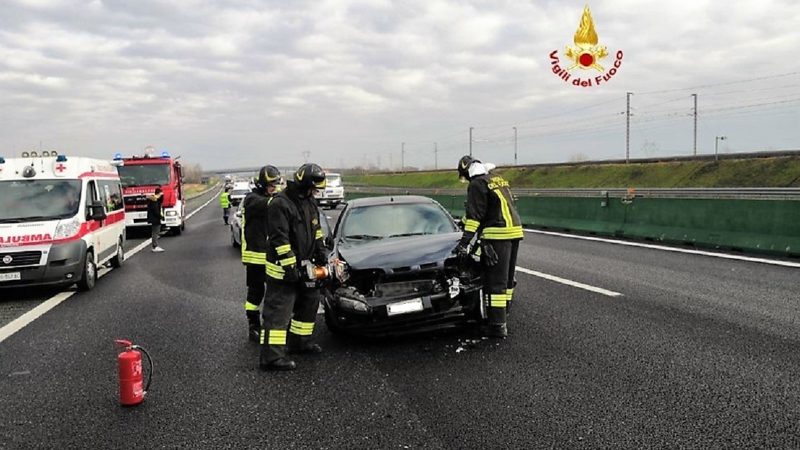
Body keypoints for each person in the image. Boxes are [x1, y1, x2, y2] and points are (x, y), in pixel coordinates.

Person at [259, 163, 328, 371]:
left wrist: (321, 253)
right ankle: (271, 358)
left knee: (310, 303)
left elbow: (315, 230)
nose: (316, 192)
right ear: (304, 183)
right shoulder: (280, 204)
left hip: (305, 265)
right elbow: (279, 239)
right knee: (278, 312)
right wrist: (290, 267)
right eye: (313, 188)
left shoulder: (309, 201)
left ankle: (300, 342)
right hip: (283, 269)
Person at [454, 155, 523, 338]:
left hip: (496, 235)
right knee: (507, 280)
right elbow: (487, 208)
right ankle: (503, 315)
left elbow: (475, 217)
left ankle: (497, 326)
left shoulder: (476, 184)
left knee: (495, 283)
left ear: (466, 171)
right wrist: (461, 222)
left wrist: (464, 243)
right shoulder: (496, 178)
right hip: (514, 231)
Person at [242, 165, 282, 342]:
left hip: (272, 255)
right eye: (272, 184)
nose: (275, 188)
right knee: (255, 293)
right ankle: (253, 326)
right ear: (263, 183)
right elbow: (265, 204)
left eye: (276, 184)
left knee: (277, 291)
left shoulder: (271, 198)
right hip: (256, 256)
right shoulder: (252, 199)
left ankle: (273, 325)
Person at [147, 187, 165, 253]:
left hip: (155, 218)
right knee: (155, 232)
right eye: (161, 194)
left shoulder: (155, 199)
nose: (162, 195)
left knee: (155, 232)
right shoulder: (154, 200)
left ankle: (155, 245)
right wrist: (160, 217)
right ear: (158, 193)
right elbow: (155, 211)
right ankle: (155, 246)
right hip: (155, 219)